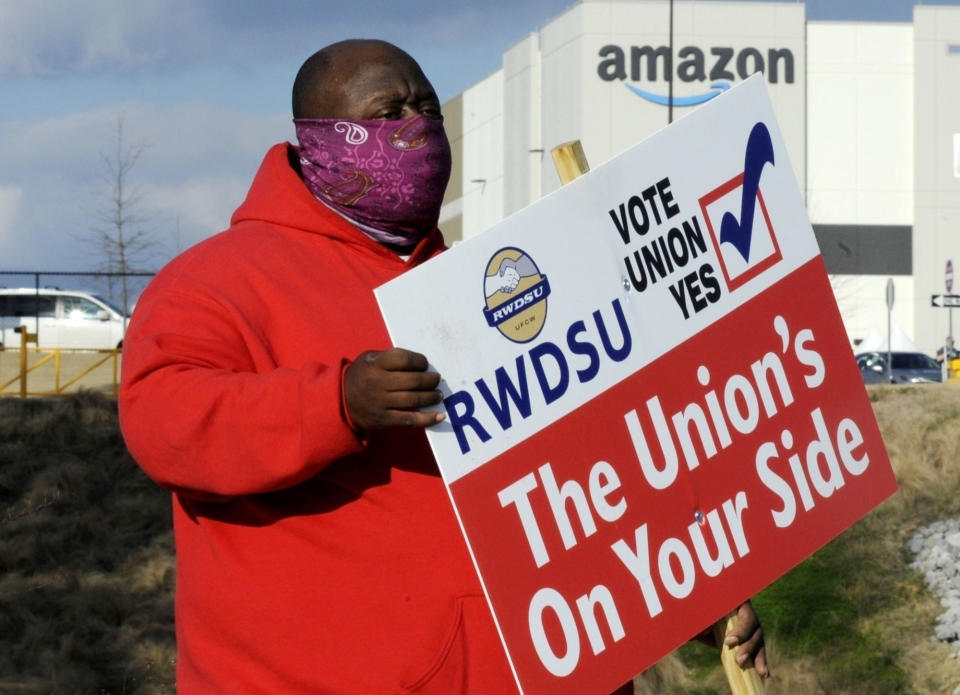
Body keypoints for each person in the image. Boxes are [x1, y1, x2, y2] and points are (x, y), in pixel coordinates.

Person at [118, 39, 767, 693]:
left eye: (427, 106)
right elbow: (164, 422)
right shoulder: (215, 281)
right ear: (317, 137)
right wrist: (336, 403)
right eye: (389, 109)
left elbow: (580, 484)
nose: (417, 126)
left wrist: (683, 585)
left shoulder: (487, 286)